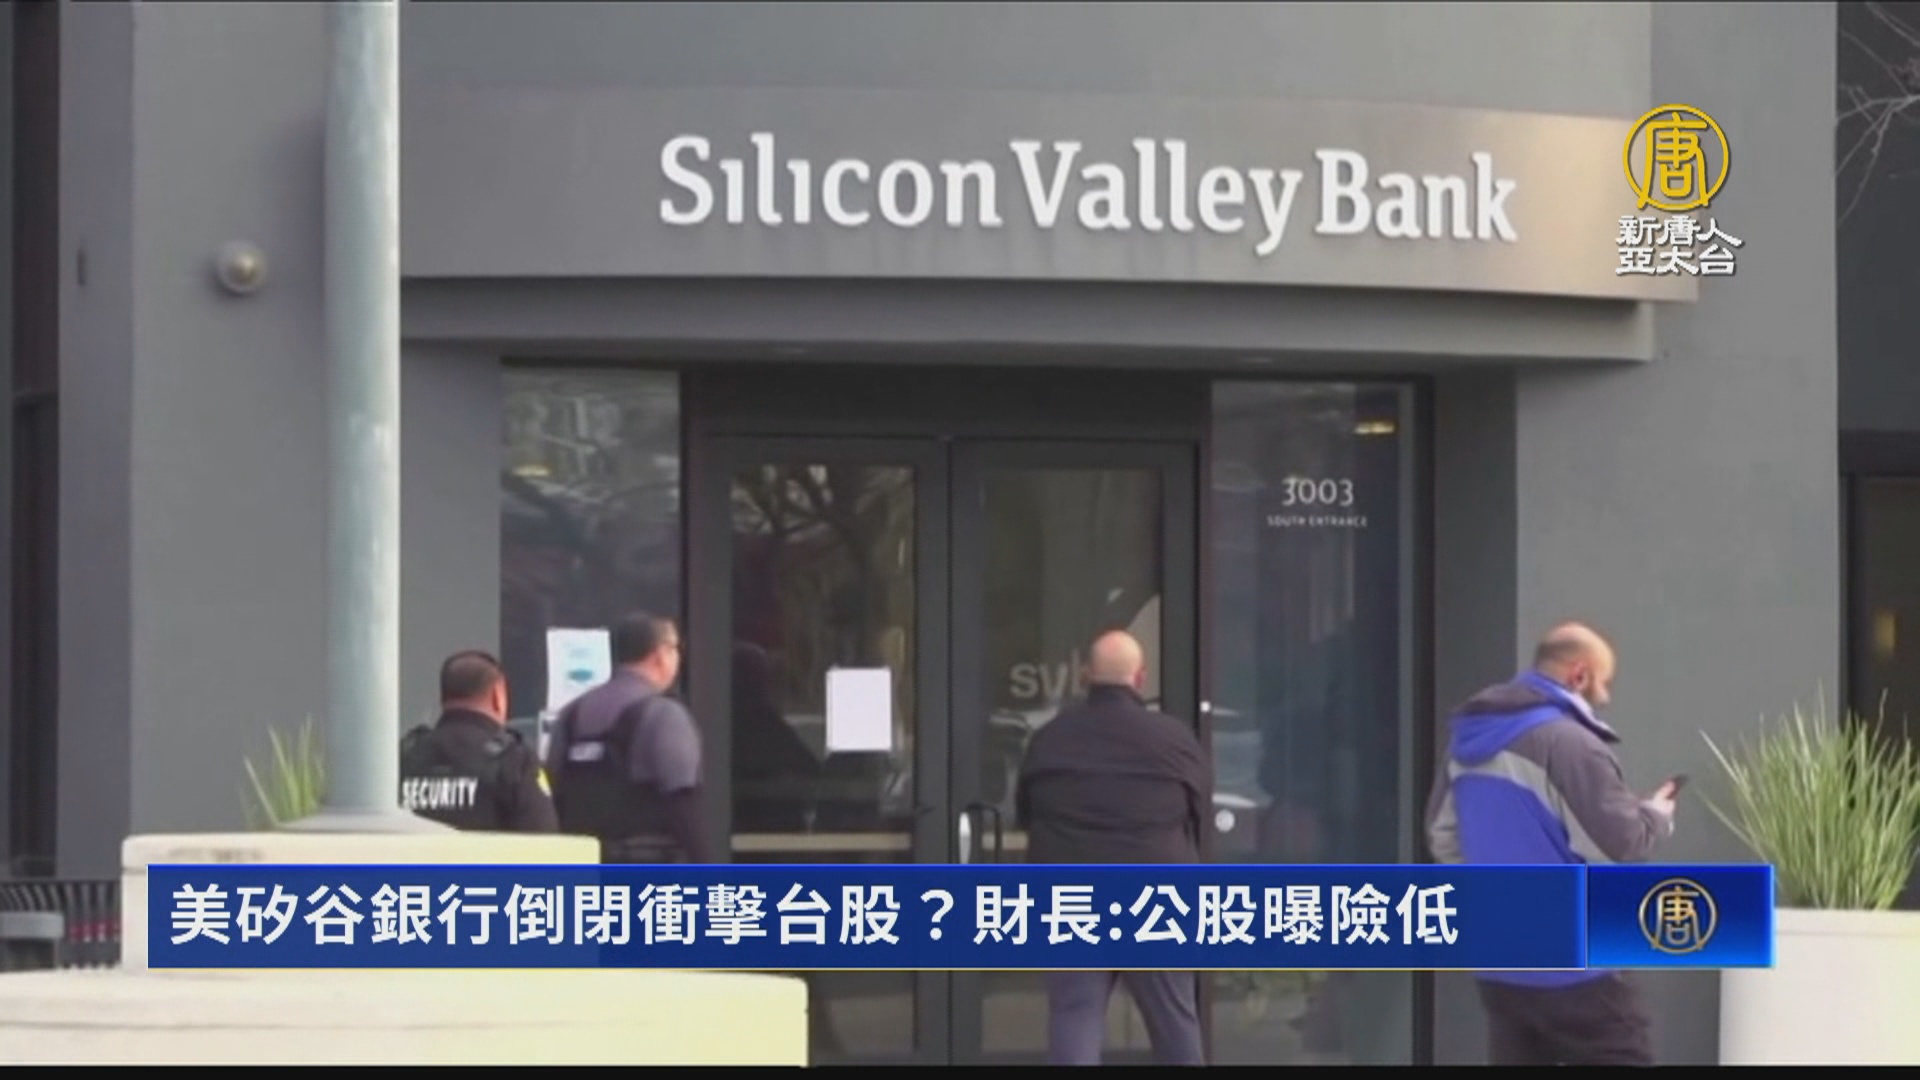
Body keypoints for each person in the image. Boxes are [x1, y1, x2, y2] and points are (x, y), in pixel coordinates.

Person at [1424, 621, 1680, 1067]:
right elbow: (1621, 848)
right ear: (1578, 674)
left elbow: (1442, 839)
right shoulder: (1568, 744)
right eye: (1603, 683)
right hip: (1576, 968)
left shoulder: (1466, 745)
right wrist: (1655, 816)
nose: (1605, 697)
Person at [1015, 629, 1212, 1067]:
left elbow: (1027, 813)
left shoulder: (1049, 739)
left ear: (1086, 675)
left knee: (1074, 1017)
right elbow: (1198, 811)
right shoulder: (1173, 740)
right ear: (1140, 678)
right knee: (1175, 1023)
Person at [543, 611, 711, 863]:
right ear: (661, 655)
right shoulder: (663, 715)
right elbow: (685, 804)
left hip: (583, 868)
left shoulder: (571, 715)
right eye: (675, 648)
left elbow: (551, 790)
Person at [398, 649, 558, 832]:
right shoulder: (514, 760)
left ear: (443, 697)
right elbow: (543, 835)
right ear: (497, 696)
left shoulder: (406, 755)